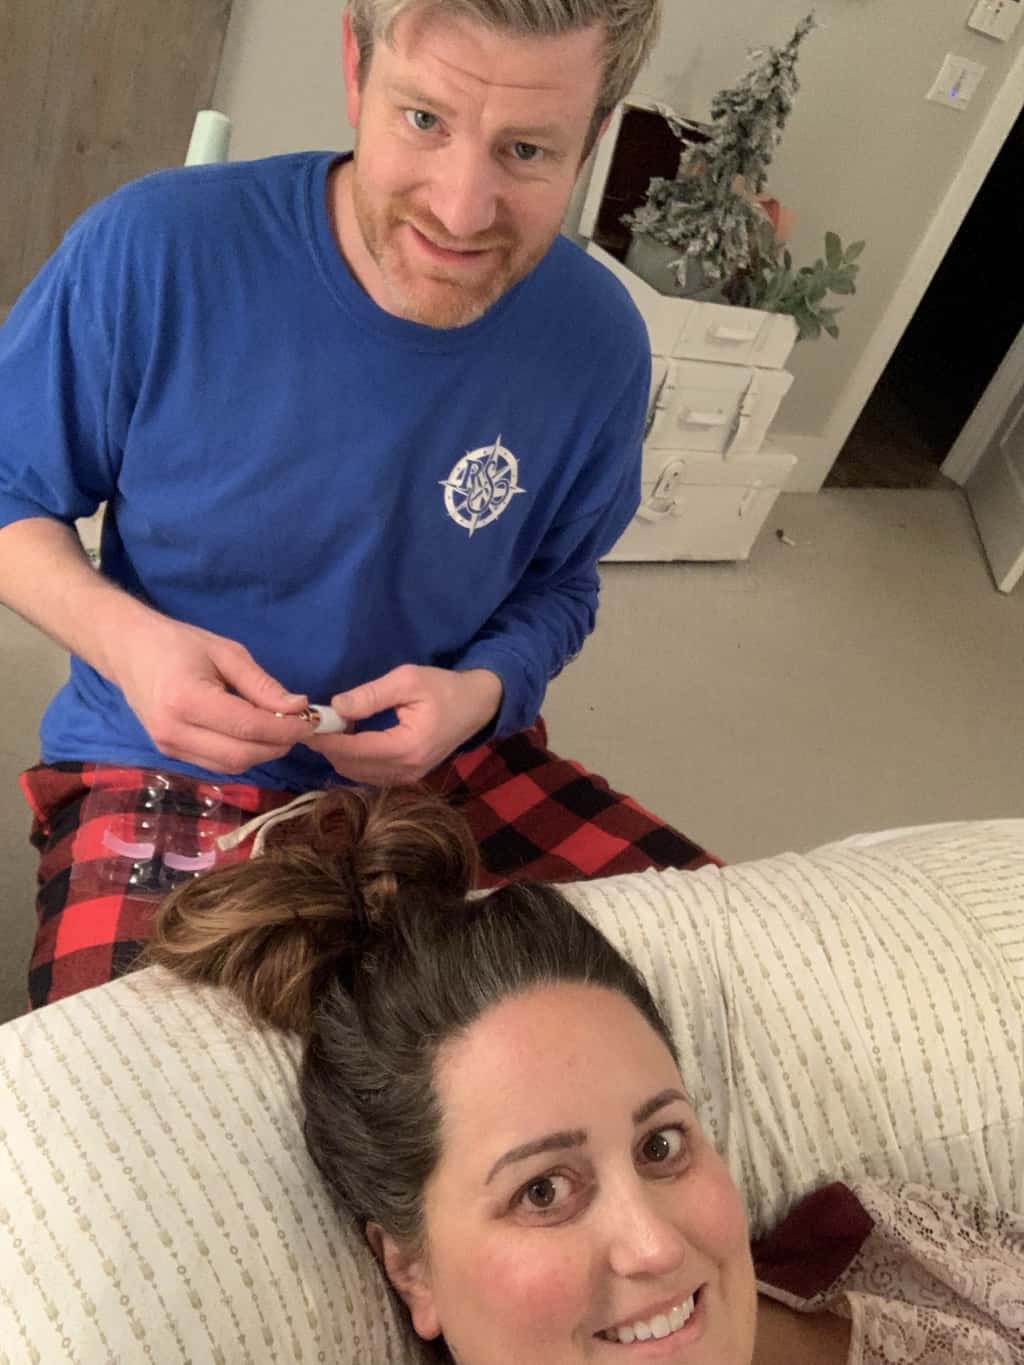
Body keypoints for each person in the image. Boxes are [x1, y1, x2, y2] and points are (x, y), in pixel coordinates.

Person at [1, 1, 727, 1009]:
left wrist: (480, 694)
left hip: (448, 766)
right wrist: (129, 647)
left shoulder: (598, 341)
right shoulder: (152, 249)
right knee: (137, 1117)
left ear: (595, 135)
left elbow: (560, 585)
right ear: (355, 64)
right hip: (158, 756)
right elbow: (9, 492)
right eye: (423, 120)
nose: (460, 210)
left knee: (720, 996)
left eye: (525, 150)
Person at [144, 786, 1022, 1364]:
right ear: (413, 1269)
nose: (655, 1244)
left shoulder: (898, 1243)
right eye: (541, 1190)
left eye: (662, 1142)